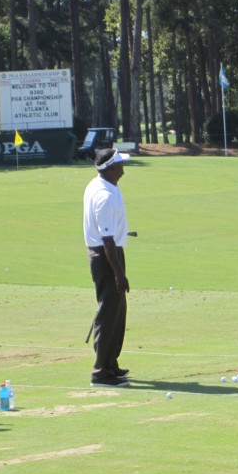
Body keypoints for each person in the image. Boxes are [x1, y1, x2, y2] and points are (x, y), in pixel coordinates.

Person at [83, 148, 132, 388]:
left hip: (108, 253)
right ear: (112, 168)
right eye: (121, 164)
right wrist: (119, 274)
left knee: (117, 312)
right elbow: (108, 241)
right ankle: (101, 372)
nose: (124, 167)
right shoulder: (105, 196)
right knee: (108, 312)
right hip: (106, 258)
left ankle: (111, 364)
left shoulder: (102, 184)